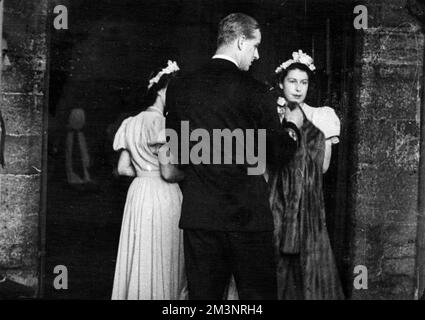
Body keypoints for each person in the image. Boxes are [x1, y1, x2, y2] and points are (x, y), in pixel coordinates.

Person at [166, 13, 305, 300]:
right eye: (255, 46)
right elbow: (278, 154)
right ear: (241, 41)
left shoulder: (180, 86)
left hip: (201, 217)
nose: (257, 55)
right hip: (248, 219)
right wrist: (292, 126)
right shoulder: (256, 91)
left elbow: (178, 154)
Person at [269, 50, 344, 299]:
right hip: (275, 201)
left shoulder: (321, 116)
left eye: (304, 82)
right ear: (281, 83)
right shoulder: (270, 116)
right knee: (275, 267)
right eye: (292, 81)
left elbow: (323, 168)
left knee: (309, 270)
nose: (298, 88)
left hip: (309, 206)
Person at [111, 60, 187, 300]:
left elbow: (123, 169)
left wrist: (144, 172)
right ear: (163, 91)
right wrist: (186, 174)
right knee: (163, 252)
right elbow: (167, 172)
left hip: (139, 192)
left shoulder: (130, 123)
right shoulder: (162, 124)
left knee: (140, 252)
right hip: (162, 195)